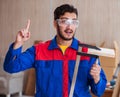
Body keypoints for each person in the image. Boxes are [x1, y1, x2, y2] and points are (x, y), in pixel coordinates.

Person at [4, 4, 107, 97]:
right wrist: (18, 43)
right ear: (55, 23)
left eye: (74, 22)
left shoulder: (87, 53)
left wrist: (97, 78)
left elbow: (99, 92)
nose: (69, 27)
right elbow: (10, 67)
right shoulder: (38, 50)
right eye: (64, 21)